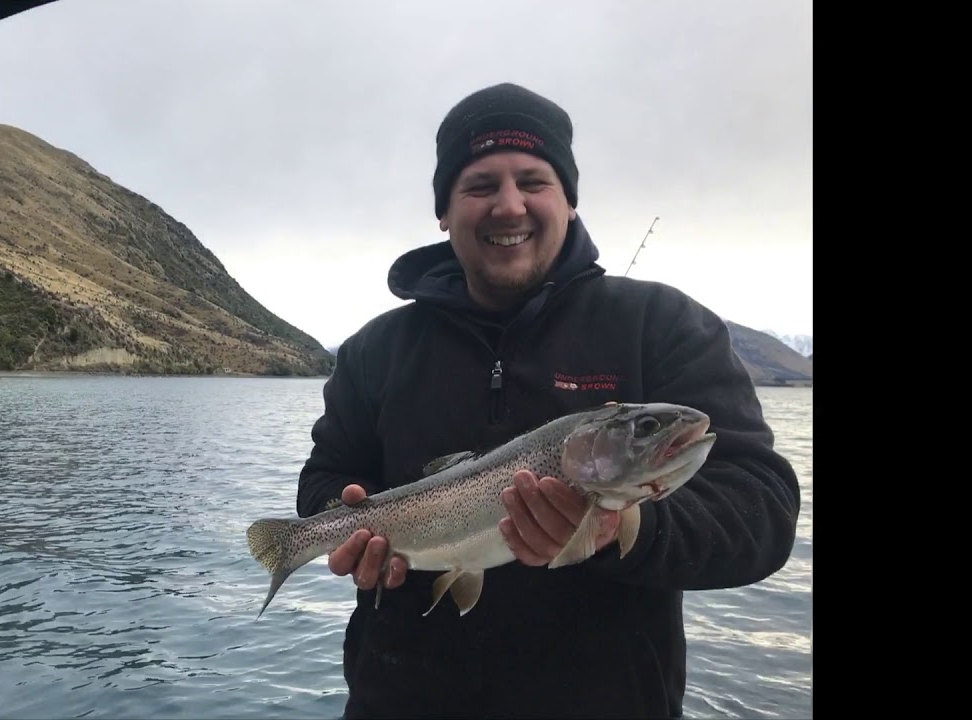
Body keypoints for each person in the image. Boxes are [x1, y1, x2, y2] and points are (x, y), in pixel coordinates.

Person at [295, 82, 802, 719]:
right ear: (444, 210)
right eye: (480, 186)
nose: (509, 206)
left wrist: (625, 528)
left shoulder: (664, 326)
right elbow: (326, 477)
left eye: (533, 181)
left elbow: (764, 509)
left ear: (569, 199)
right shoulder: (375, 350)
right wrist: (336, 525)